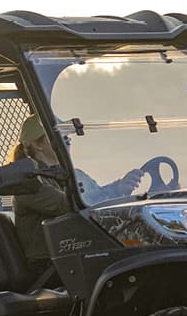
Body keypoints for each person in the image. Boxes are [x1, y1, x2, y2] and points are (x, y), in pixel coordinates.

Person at [8, 114, 143, 268]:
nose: (68, 137)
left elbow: (96, 202)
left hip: (82, 249)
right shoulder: (27, 181)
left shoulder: (75, 174)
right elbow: (67, 205)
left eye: (66, 132)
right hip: (53, 262)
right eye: (60, 133)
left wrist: (120, 188)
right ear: (38, 144)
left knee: (141, 245)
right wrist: (114, 189)